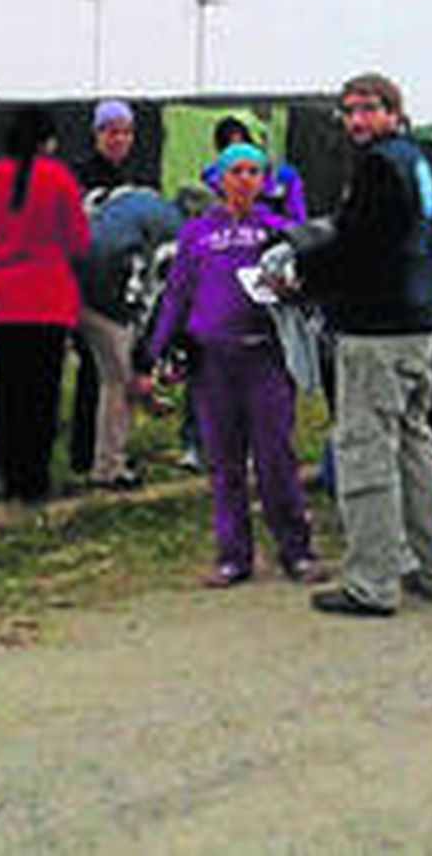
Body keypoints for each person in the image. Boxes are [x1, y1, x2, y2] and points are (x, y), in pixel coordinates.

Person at [291, 72, 432, 617]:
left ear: (393, 111)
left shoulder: (378, 167)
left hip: (378, 328)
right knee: (415, 445)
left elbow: (361, 245)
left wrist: (303, 275)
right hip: (419, 322)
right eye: (349, 110)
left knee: (366, 451)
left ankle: (372, 582)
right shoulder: (416, 160)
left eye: (369, 109)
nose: (357, 120)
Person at [136, 142, 328, 588]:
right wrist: (154, 351)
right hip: (212, 360)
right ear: (218, 179)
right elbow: (178, 294)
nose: (245, 180)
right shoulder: (196, 233)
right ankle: (233, 555)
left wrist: (295, 288)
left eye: (254, 172)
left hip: (265, 355)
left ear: (265, 181)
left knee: (275, 457)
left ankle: (296, 550)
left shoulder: (278, 230)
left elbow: (306, 291)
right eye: (236, 171)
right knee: (224, 462)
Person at [0, 107, 90, 502]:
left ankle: (2, 470)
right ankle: (34, 479)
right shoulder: (60, 179)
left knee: (9, 388)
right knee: (43, 391)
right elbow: (78, 242)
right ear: (47, 141)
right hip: (49, 298)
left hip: (1, 298)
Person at [76, 181, 184, 489]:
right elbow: (154, 299)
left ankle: (86, 455)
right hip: (107, 291)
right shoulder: (176, 234)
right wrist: (144, 368)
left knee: (106, 372)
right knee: (119, 384)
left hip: (67, 276)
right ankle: (109, 468)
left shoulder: (130, 196)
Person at [67, 99, 140, 475]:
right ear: (97, 134)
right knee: (101, 371)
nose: (119, 139)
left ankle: (99, 451)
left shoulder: (130, 176)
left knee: (106, 372)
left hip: (116, 287)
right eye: (111, 131)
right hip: (84, 286)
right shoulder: (79, 175)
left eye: (126, 132)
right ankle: (93, 455)